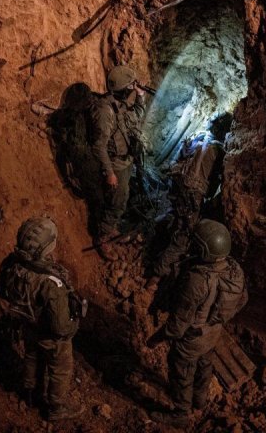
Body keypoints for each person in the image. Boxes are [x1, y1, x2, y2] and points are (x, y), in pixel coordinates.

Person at [147, 219, 248, 427]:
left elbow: (178, 325)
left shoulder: (197, 280)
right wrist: (216, 320)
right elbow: (243, 299)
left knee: (182, 373)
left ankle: (181, 414)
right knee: (205, 365)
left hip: (191, 339)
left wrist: (157, 338)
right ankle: (199, 401)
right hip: (213, 333)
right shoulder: (234, 270)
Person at [0, 217, 85, 421]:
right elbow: (61, 327)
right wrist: (75, 325)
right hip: (49, 334)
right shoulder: (51, 283)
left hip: (27, 325)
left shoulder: (11, 263)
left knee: (31, 356)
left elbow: (1, 291)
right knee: (60, 369)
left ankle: (30, 394)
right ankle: (56, 408)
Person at [149, 113, 232, 286]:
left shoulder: (198, 136)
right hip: (192, 193)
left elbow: (178, 159)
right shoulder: (218, 151)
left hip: (177, 185)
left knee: (174, 213)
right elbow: (214, 184)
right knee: (184, 236)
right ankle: (156, 275)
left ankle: (149, 236)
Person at [90, 65, 147, 261]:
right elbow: (99, 146)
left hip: (126, 160)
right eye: (131, 86)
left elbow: (137, 117)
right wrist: (109, 172)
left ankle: (111, 226)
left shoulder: (120, 105)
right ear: (123, 88)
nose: (133, 88)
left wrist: (140, 96)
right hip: (116, 165)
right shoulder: (106, 110)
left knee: (122, 198)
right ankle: (103, 236)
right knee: (117, 202)